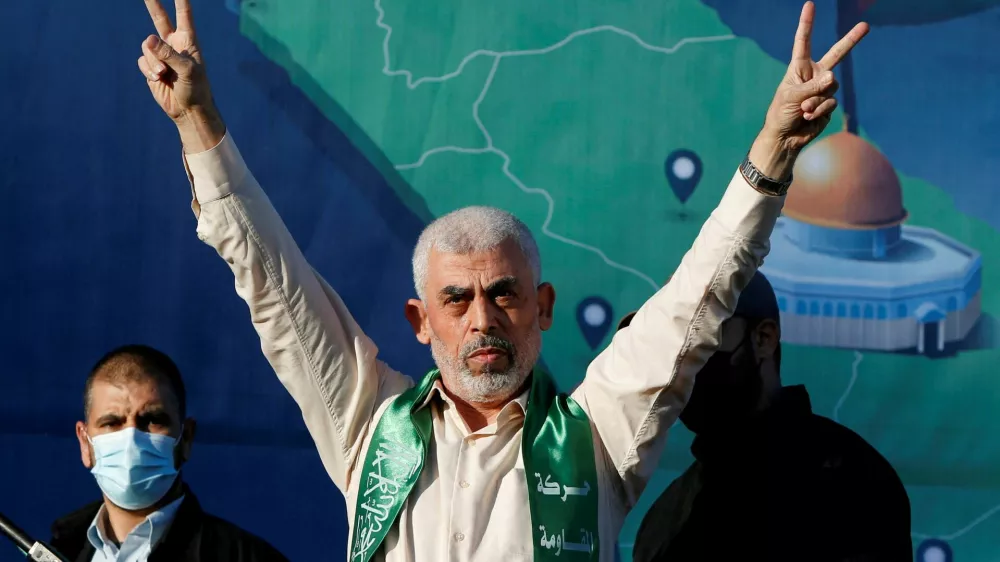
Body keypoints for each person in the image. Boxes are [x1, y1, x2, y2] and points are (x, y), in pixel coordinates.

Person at [133, 0, 867, 559]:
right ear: (422, 322)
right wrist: (198, 123)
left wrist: (772, 150)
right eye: (457, 300)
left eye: (503, 293)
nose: (482, 319)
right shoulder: (366, 423)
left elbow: (699, 296)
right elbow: (274, 284)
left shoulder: (599, 432)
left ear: (542, 309)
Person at [625, 273, 913, 561]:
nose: (678, 361)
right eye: (666, 346)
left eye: (696, 337)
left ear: (764, 339)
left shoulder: (850, 480)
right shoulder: (665, 516)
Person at [49, 345, 289, 562]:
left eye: (152, 420)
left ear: (185, 438)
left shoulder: (248, 558)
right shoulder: (59, 550)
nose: (131, 438)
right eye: (112, 423)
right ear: (84, 442)